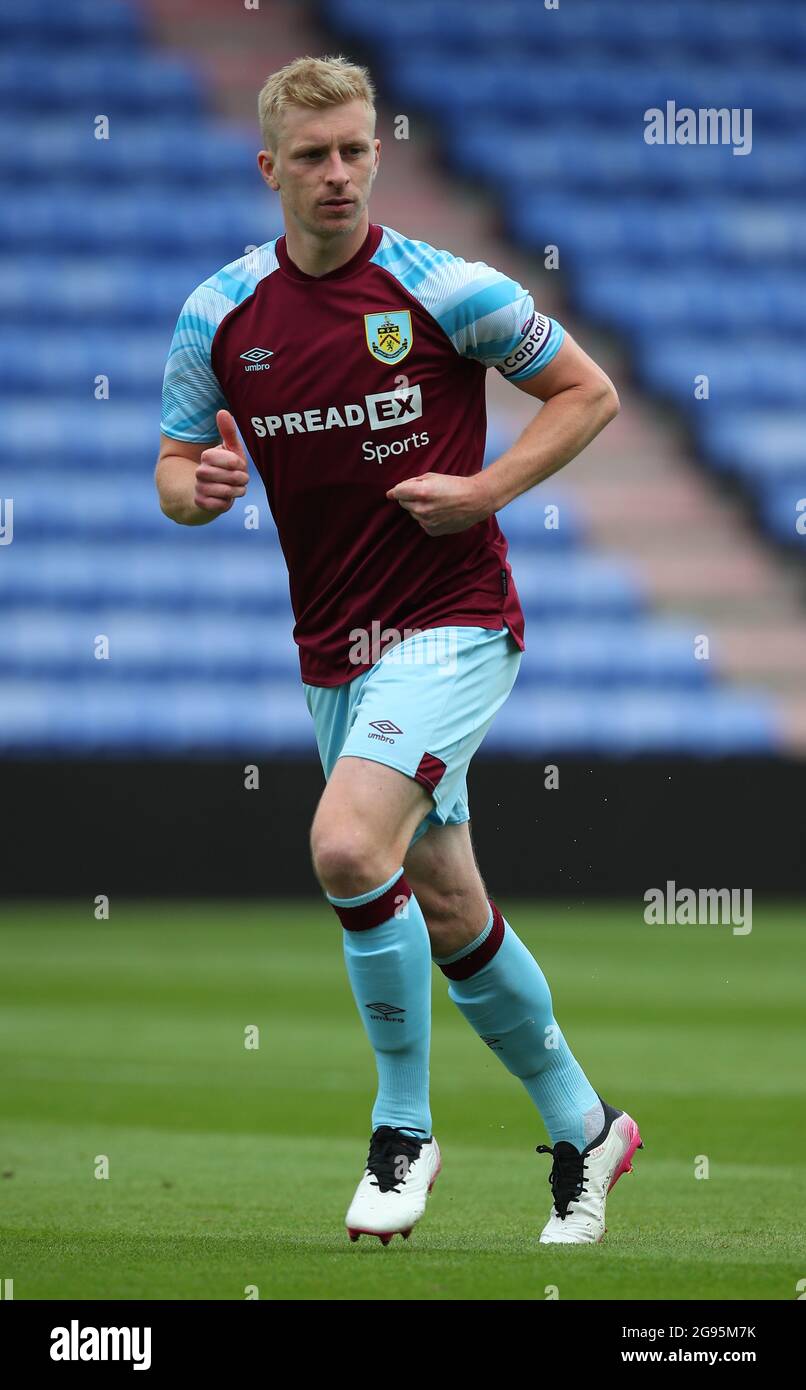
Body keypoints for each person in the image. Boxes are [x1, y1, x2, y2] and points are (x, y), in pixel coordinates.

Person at [155, 53, 641, 1246]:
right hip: (334, 649)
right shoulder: (219, 314)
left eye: (355, 149)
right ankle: (586, 1128)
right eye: (312, 155)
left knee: (340, 843)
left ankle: (404, 1126)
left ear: (378, 151)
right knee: (445, 901)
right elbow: (173, 467)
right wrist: (198, 485)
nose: (337, 173)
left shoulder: (443, 289)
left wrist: (483, 489)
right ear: (268, 168)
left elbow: (586, 393)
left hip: (454, 624)